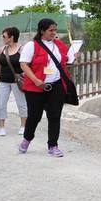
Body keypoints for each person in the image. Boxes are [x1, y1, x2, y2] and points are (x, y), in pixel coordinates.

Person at [18, 18, 72, 157]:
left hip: (56, 84)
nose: (54, 33)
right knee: (34, 116)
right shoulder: (32, 45)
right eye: (51, 30)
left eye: (55, 30)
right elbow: (23, 64)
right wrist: (35, 80)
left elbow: (66, 60)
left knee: (55, 116)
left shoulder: (58, 44)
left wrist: (73, 56)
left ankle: (53, 145)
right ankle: (27, 138)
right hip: (36, 86)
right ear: (42, 31)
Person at [0, 27, 27, 136]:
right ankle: (2, 127)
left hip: (18, 81)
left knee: (22, 104)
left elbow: (27, 63)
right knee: (1, 104)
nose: (2, 38)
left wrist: (26, 73)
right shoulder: (2, 49)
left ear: (11, 37)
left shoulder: (22, 49)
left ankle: (23, 125)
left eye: (4, 36)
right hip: (3, 80)